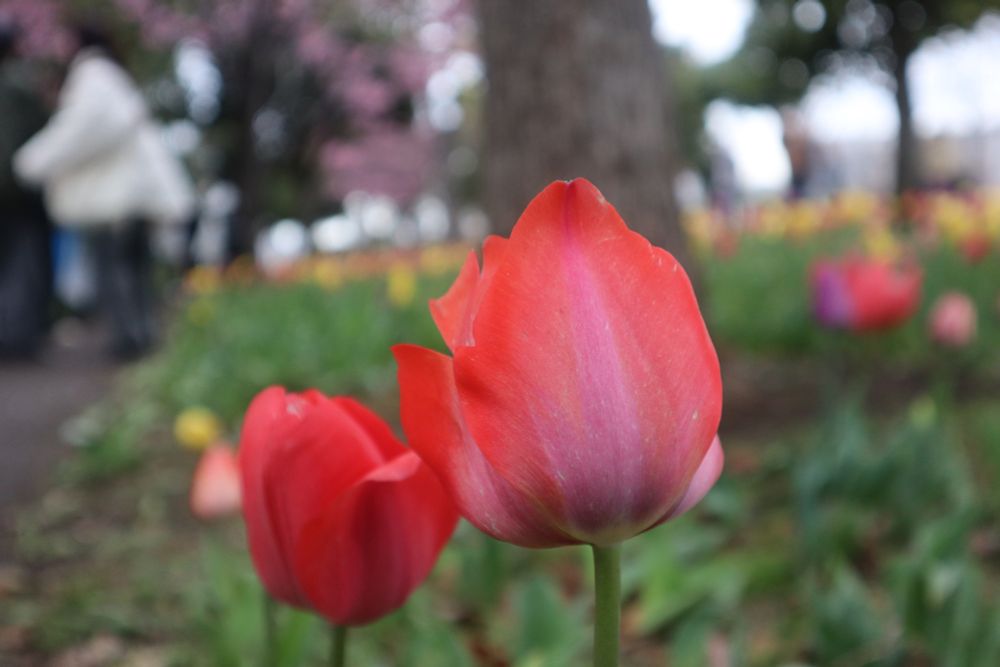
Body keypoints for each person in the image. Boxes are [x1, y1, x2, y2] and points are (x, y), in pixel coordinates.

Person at [14, 24, 194, 359]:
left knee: (116, 271)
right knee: (133, 272)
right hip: (135, 196)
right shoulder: (112, 77)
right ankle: (141, 342)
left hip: (116, 201)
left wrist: (31, 161)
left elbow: (81, 130)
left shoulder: (93, 75)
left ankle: (131, 344)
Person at [0, 20, 52, 358]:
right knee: (21, 265)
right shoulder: (19, 87)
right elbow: (43, 135)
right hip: (16, 192)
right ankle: (16, 339)